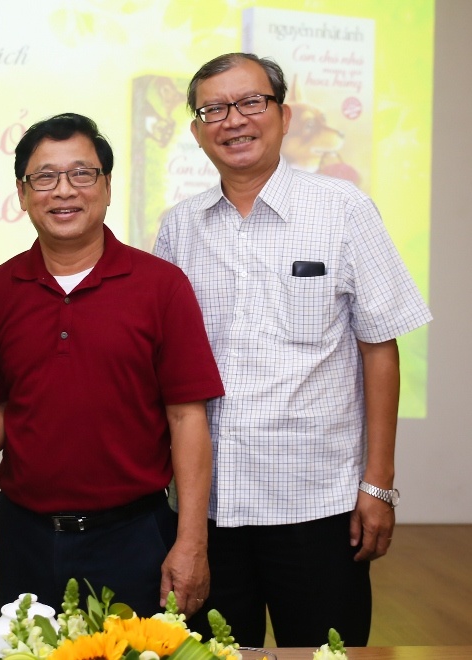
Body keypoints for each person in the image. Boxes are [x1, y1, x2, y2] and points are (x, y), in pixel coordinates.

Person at [154, 53, 433, 647]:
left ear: (283, 116)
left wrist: (378, 484)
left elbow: (379, 348)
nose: (234, 120)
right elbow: (169, 372)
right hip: (210, 509)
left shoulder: (344, 209)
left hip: (320, 505)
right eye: (213, 110)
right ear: (198, 131)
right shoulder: (179, 227)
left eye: (250, 103)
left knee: (327, 654)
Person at [0, 113, 224, 618]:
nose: (64, 191)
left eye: (81, 173)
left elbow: (187, 417)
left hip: (134, 537)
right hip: (25, 536)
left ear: (106, 186)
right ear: (22, 194)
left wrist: (192, 541)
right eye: (45, 177)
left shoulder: (161, 286)